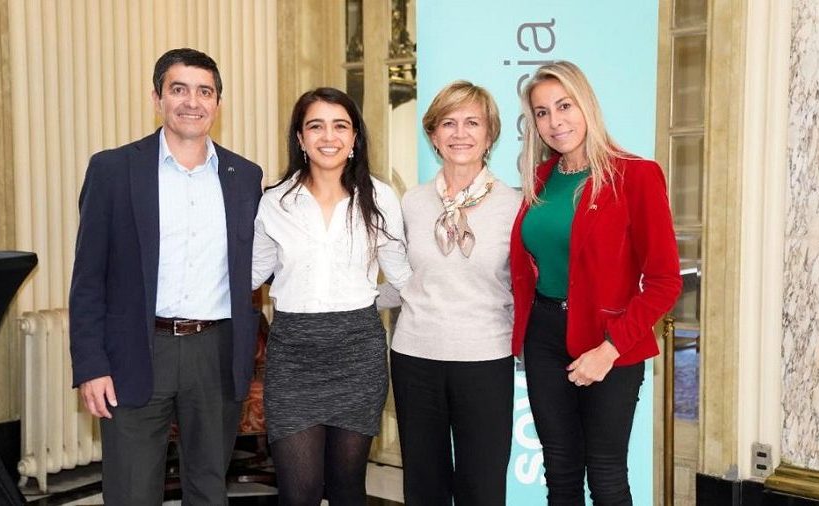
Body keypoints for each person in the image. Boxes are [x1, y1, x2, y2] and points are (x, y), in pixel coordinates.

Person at [69, 48, 263, 505]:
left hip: (216, 353)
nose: (192, 102)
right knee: (131, 490)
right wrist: (91, 366)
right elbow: (88, 279)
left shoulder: (244, 177)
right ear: (157, 98)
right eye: (179, 89)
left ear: (218, 103)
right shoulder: (113, 170)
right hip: (136, 351)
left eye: (204, 92)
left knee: (209, 488)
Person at [510, 61, 682, 505]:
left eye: (564, 106)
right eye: (542, 112)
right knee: (560, 471)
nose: (555, 121)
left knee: (606, 477)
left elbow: (664, 281)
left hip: (611, 339)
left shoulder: (636, 175)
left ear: (586, 105)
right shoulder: (539, 179)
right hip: (544, 336)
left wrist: (609, 349)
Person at [251, 87, 411, 506]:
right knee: (298, 493)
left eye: (340, 126)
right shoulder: (275, 202)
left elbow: (403, 280)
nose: (328, 136)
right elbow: (250, 275)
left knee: (346, 488)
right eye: (316, 126)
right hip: (292, 358)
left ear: (354, 137)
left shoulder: (380, 197)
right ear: (300, 138)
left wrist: (363, 302)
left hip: (358, 356)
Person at [377, 80, 520, 506]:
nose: (460, 133)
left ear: (490, 136)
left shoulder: (515, 205)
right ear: (434, 135)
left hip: (485, 359)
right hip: (415, 358)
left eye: (472, 123)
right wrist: (347, 298)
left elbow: (524, 285)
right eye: (448, 123)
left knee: (482, 486)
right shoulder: (411, 203)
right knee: (424, 486)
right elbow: (405, 280)